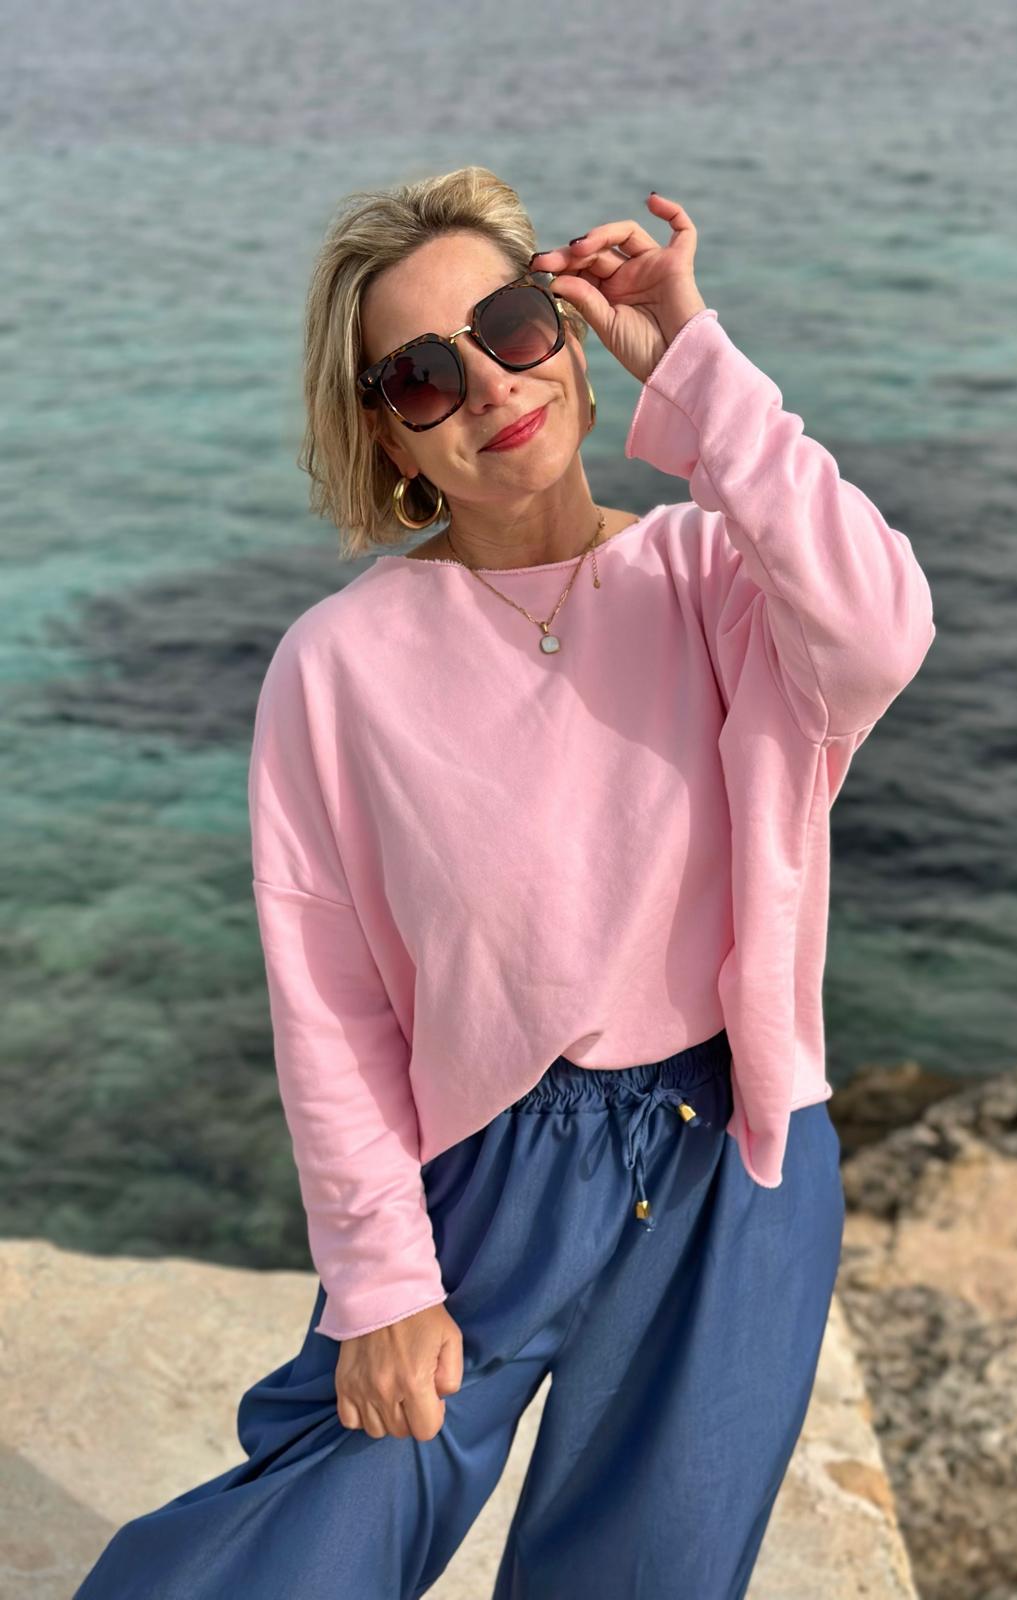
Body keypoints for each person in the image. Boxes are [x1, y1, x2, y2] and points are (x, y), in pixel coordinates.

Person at [74, 164, 936, 1598]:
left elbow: (881, 628)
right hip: (485, 1171)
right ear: (388, 434)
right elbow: (330, 1005)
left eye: (514, 326)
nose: (487, 384)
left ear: (573, 340)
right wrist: (382, 1282)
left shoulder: (717, 578)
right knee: (291, 1557)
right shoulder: (339, 667)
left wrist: (692, 354)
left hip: (736, 1161)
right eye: (423, 374)